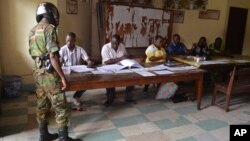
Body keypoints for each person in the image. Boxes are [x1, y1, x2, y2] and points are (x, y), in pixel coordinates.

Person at [29, 2, 81, 141]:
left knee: (42, 104)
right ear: (52, 14)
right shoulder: (49, 29)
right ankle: (64, 138)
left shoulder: (32, 30)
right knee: (60, 106)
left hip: (37, 73)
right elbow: (53, 56)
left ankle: (43, 135)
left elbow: (33, 54)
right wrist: (62, 77)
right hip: (50, 75)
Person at [60, 32, 93, 111]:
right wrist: (60, 62)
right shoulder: (63, 49)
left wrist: (89, 63)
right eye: (67, 40)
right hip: (66, 73)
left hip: (77, 72)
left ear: (75, 41)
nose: (68, 43)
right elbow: (59, 61)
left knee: (86, 83)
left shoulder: (80, 49)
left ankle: (76, 96)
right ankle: (62, 100)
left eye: (71, 41)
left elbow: (88, 60)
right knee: (60, 84)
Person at [101, 34, 136, 106]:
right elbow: (107, 61)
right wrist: (121, 59)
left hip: (121, 67)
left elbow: (125, 56)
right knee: (109, 82)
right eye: (114, 44)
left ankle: (128, 98)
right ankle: (110, 99)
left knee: (132, 78)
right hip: (109, 68)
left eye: (117, 44)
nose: (116, 46)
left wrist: (127, 57)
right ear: (111, 41)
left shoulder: (121, 46)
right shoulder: (105, 47)